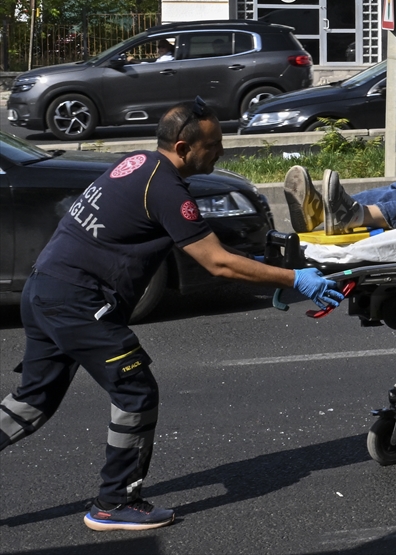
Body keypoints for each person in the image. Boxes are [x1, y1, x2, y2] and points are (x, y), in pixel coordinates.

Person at [0, 98, 342, 532]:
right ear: (184, 147)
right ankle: (114, 503)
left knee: (32, 401)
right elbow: (217, 263)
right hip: (79, 304)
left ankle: (114, 500)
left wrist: (265, 266)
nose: (221, 152)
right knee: (135, 391)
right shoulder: (165, 189)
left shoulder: (140, 164)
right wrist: (294, 280)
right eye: (213, 146)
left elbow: (205, 246)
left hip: (45, 289)